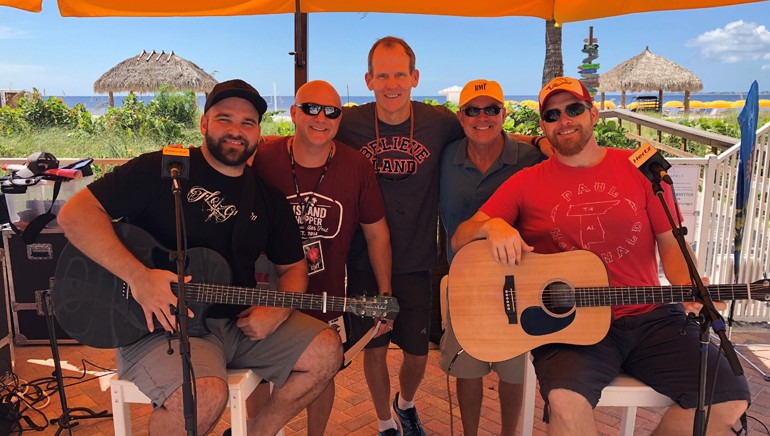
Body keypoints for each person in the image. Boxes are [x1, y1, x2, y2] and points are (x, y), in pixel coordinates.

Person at [451, 76, 751, 435]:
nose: (564, 120)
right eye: (552, 114)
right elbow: (462, 235)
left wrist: (691, 285)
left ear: (593, 114)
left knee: (729, 400)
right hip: (571, 325)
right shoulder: (525, 182)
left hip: (651, 319)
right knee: (564, 402)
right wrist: (492, 227)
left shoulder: (641, 170)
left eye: (574, 109)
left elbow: (672, 244)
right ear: (543, 125)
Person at [57, 79, 342, 435]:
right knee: (203, 396)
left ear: (258, 134)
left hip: (237, 325)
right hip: (159, 326)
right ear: (204, 123)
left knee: (327, 351)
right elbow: (74, 214)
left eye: (248, 123)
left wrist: (279, 310)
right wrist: (139, 277)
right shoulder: (160, 170)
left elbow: (294, 267)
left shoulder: (267, 199)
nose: (236, 131)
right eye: (225, 119)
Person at [336, 36, 550, 436]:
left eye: (400, 73)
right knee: (376, 347)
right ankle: (385, 423)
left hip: (419, 259)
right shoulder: (351, 123)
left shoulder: (437, 121)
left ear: (415, 77)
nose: (391, 83)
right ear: (368, 80)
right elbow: (311, 133)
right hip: (364, 258)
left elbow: (484, 130)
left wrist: (541, 142)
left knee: (417, 354)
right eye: (382, 75)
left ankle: (406, 403)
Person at [251, 80, 392, 435]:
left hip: (326, 289)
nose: (321, 118)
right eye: (312, 108)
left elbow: (376, 233)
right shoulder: (264, 158)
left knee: (325, 366)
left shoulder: (356, 165)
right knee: (256, 367)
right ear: (294, 113)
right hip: (268, 285)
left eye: (332, 111)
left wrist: (386, 291)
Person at [439, 79, 547, 435]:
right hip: (465, 282)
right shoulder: (446, 158)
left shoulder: (530, 158)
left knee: (513, 370)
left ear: (504, 114)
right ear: (460, 116)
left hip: (518, 280)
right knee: (468, 368)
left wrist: (542, 140)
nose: (481, 117)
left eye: (491, 109)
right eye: (472, 110)